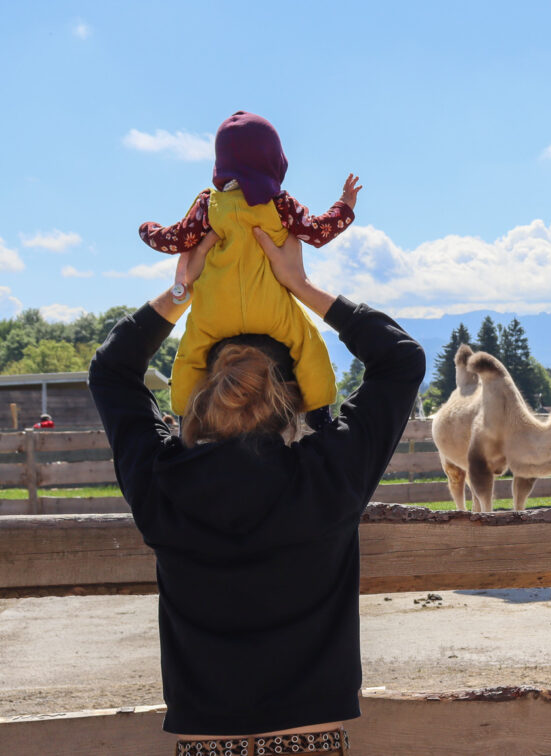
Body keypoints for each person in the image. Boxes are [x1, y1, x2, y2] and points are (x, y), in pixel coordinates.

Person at [89, 230, 425, 753]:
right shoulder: (328, 475)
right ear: (294, 398)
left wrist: (184, 290)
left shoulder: (164, 481)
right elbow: (401, 359)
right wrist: (301, 285)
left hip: (206, 737)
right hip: (308, 735)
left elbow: (111, 371)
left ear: (202, 394)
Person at [138, 110, 361, 417]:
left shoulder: (208, 205)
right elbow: (316, 232)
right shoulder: (280, 205)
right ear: (274, 161)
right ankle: (320, 418)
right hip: (271, 309)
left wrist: (147, 229)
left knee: (190, 353)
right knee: (308, 346)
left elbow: (176, 239)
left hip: (215, 310)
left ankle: (183, 421)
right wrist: (344, 207)